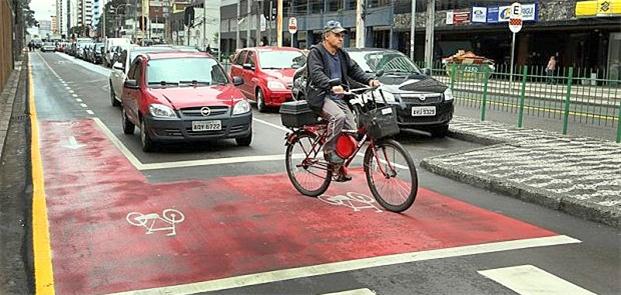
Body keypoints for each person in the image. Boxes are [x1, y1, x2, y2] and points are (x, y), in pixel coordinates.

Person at [306, 20, 380, 181]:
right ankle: (329, 151)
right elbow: (316, 74)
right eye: (337, 35)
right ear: (326, 36)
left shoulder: (341, 54)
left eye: (342, 35)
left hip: (339, 98)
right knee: (338, 117)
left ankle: (337, 168)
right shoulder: (316, 52)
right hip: (321, 96)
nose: (341, 38)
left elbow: (354, 70)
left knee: (352, 133)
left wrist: (369, 81)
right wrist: (331, 85)